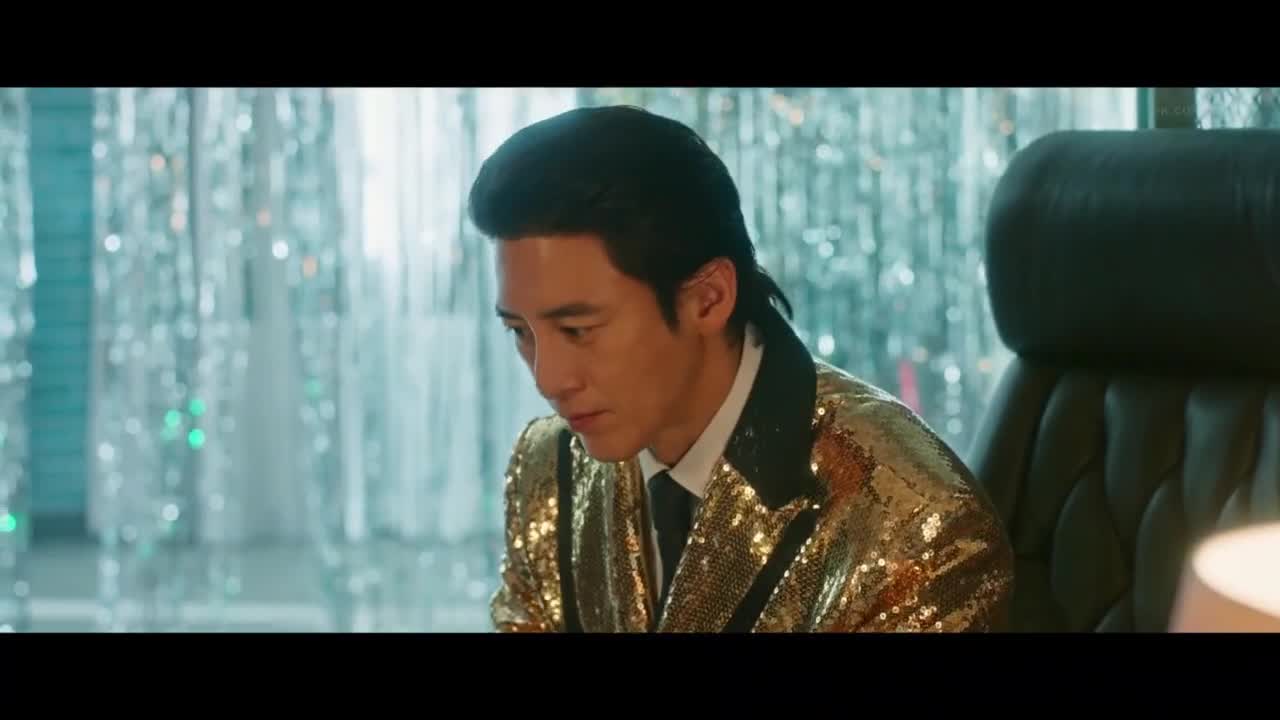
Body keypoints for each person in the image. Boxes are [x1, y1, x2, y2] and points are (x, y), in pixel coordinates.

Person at [467, 104, 1014, 633]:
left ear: (708, 298)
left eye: (578, 330)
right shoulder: (549, 467)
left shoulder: (914, 526)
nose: (548, 379)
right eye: (520, 332)